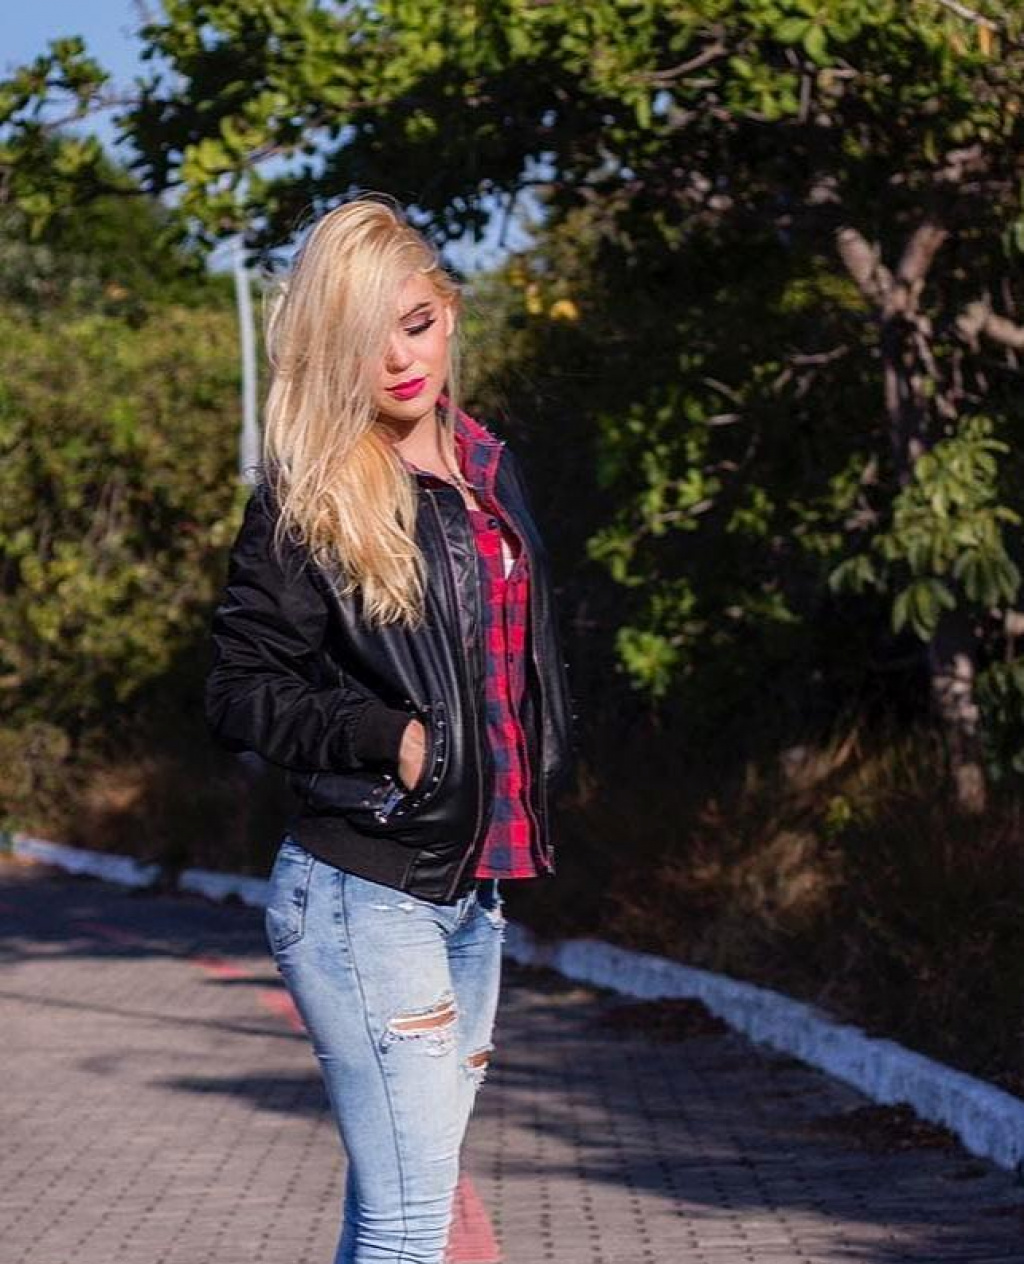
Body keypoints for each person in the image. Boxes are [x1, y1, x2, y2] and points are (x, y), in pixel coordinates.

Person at [204, 193, 575, 1264]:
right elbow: (238, 687)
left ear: (448, 311)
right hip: (364, 891)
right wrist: (389, 737)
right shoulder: (313, 493)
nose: (401, 359)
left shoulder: (489, 468)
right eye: (369, 339)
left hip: (472, 885)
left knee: (396, 1210)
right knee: (412, 1224)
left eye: (415, 323)